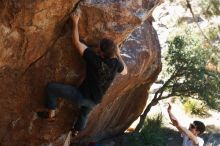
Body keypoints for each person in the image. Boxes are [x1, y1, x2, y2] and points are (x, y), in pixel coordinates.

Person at [38, 11, 127, 134]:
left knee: (51, 88)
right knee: (84, 114)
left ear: (101, 54)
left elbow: (76, 42)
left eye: (99, 48)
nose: (97, 48)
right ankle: (76, 131)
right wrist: (118, 54)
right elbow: (125, 72)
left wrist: (75, 22)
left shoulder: (93, 59)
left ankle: (51, 114)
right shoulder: (116, 64)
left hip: (81, 96)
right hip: (96, 100)